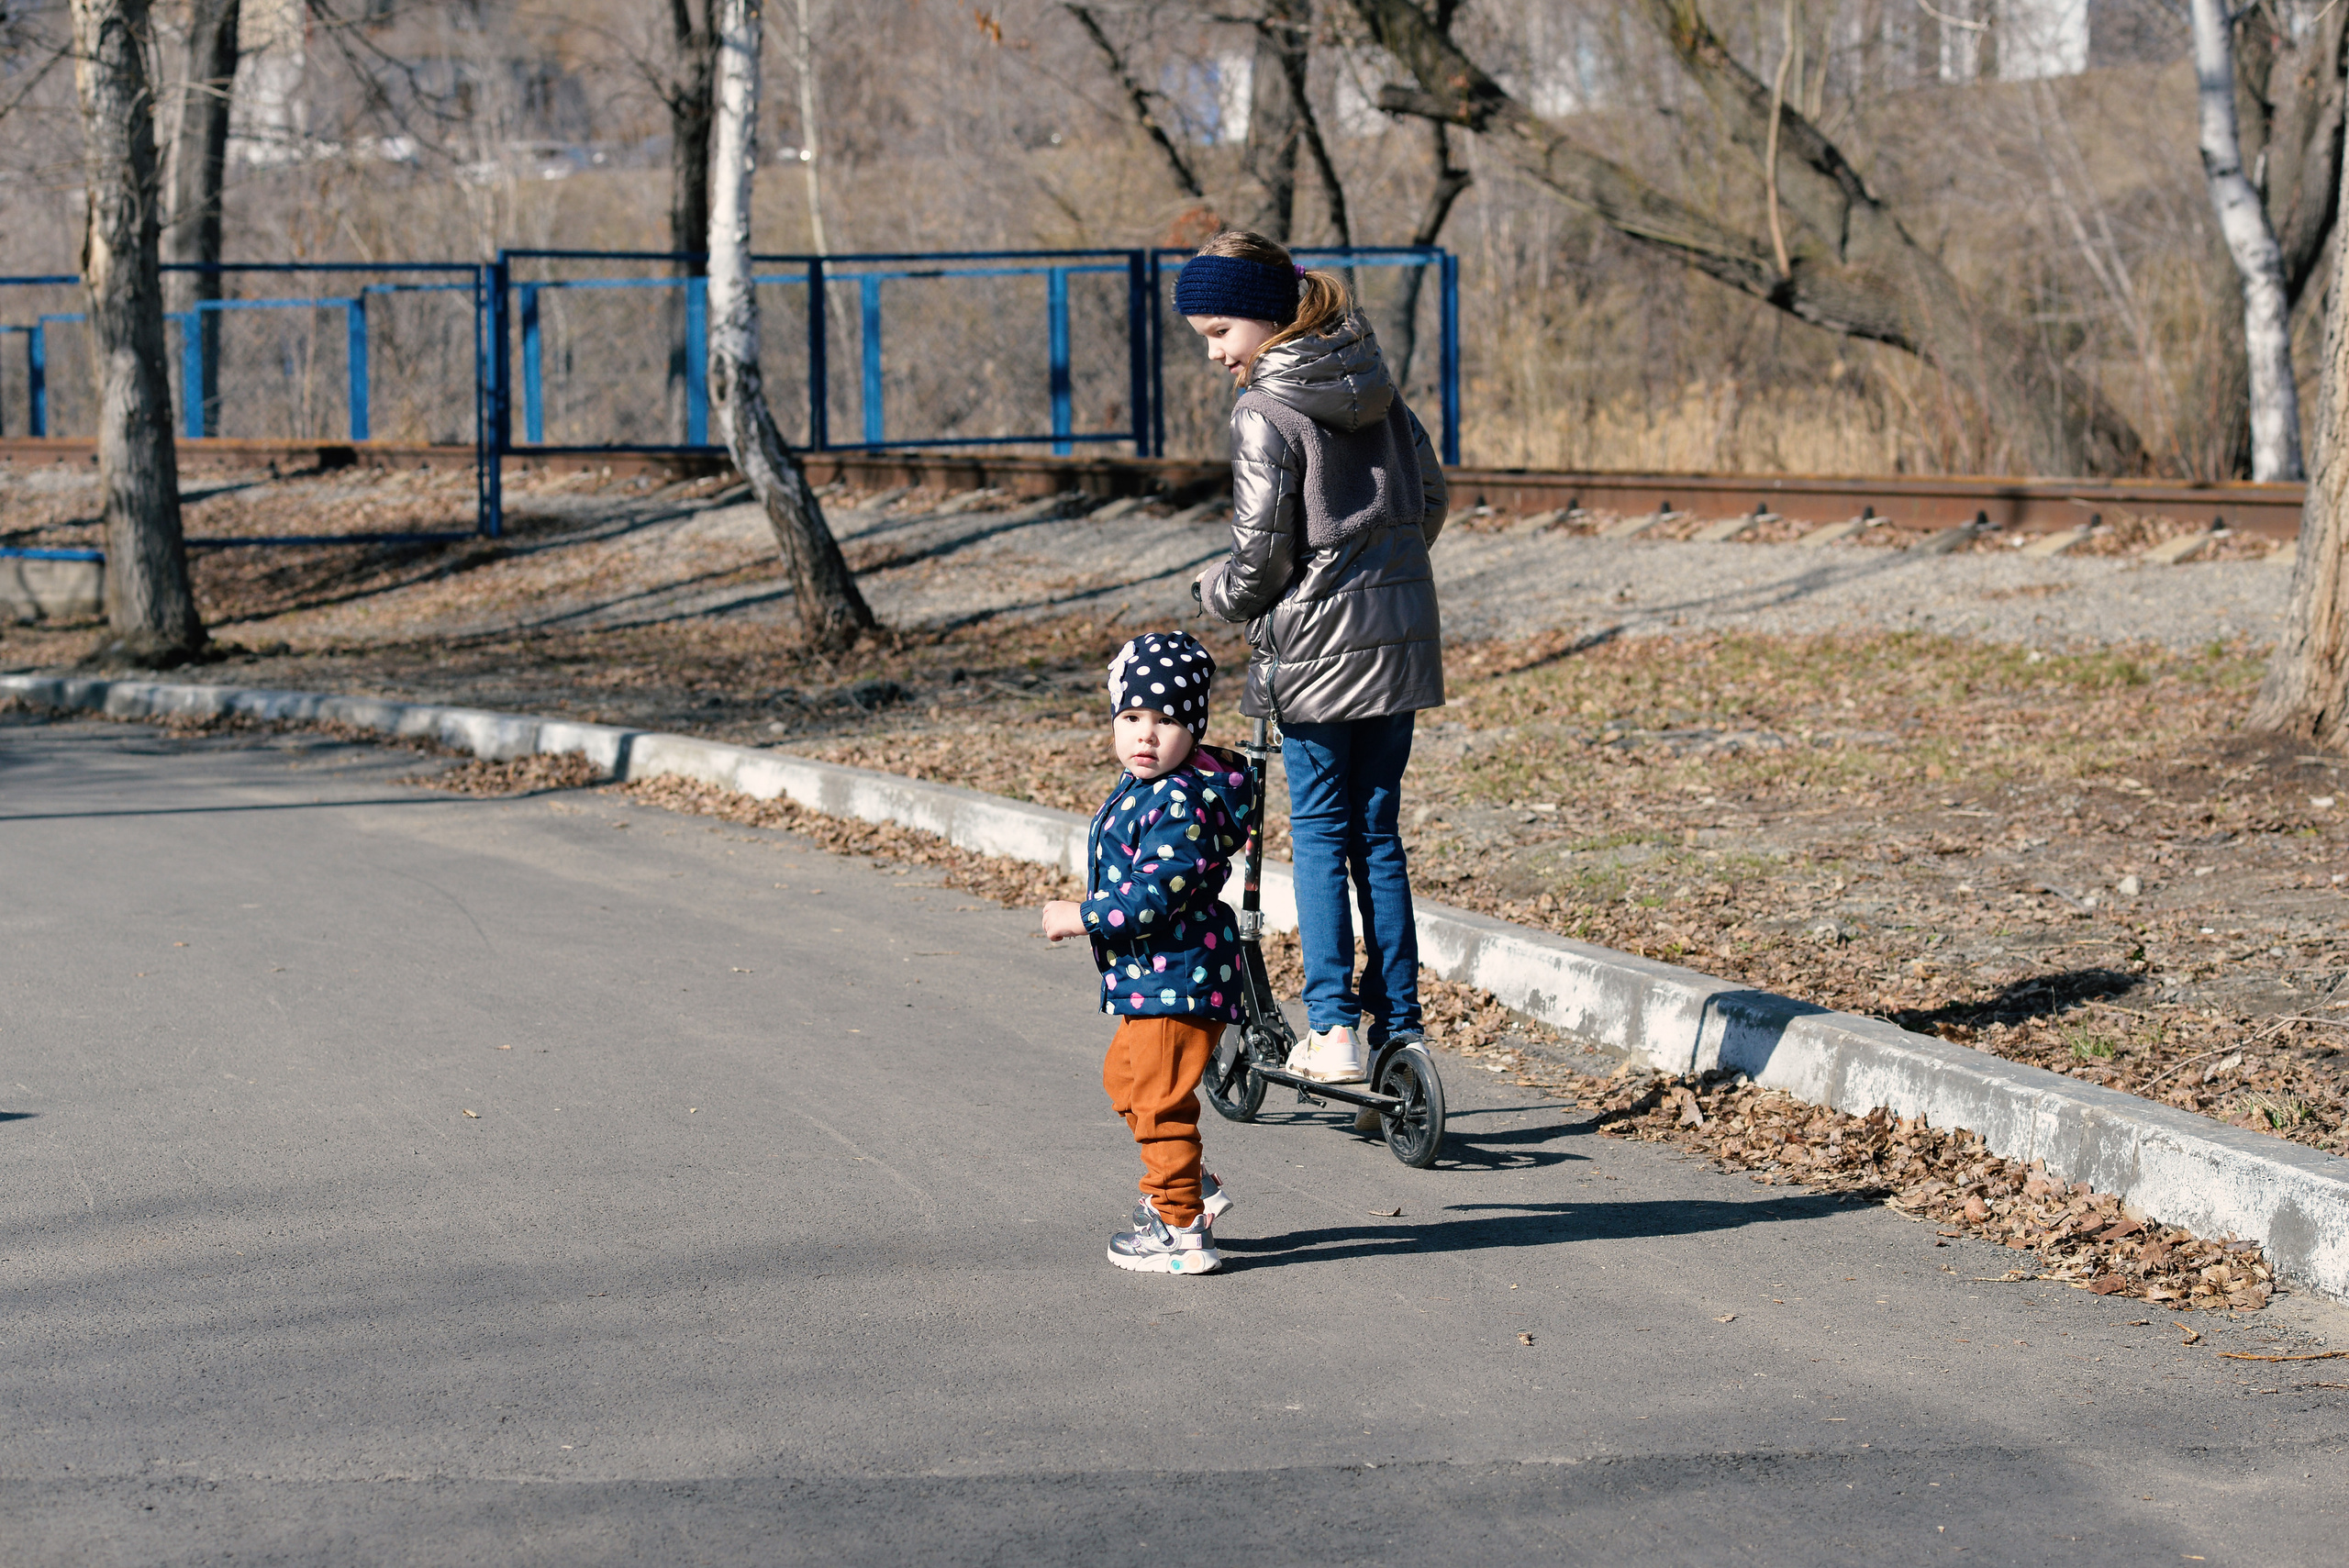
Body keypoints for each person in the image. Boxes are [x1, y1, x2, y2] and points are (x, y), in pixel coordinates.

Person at [1182, 229, 1448, 1121]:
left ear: (1264, 312)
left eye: (1219, 329)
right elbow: (1432, 495)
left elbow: (1258, 562)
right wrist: (1386, 580)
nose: (1216, 352)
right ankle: (1397, 1028)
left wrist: (1211, 590)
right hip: (1399, 639)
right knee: (1380, 835)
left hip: (1315, 657)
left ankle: (1332, 1028)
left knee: (1322, 838)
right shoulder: (1371, 377)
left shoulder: (1266, 409)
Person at [1041, 630, 1252, 1275]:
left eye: (1165, 721)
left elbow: (1157, 891)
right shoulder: (1144, 787)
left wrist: (1083, 916)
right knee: (1126, 1080)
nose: (1146, 735)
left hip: (1180, 976)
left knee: (1158, 1100)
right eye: (1132, 717)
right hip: (1150, 977)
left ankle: (1182, 1225)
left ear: (1193, 729)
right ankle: (1191, 1181)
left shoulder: (1181, 799)